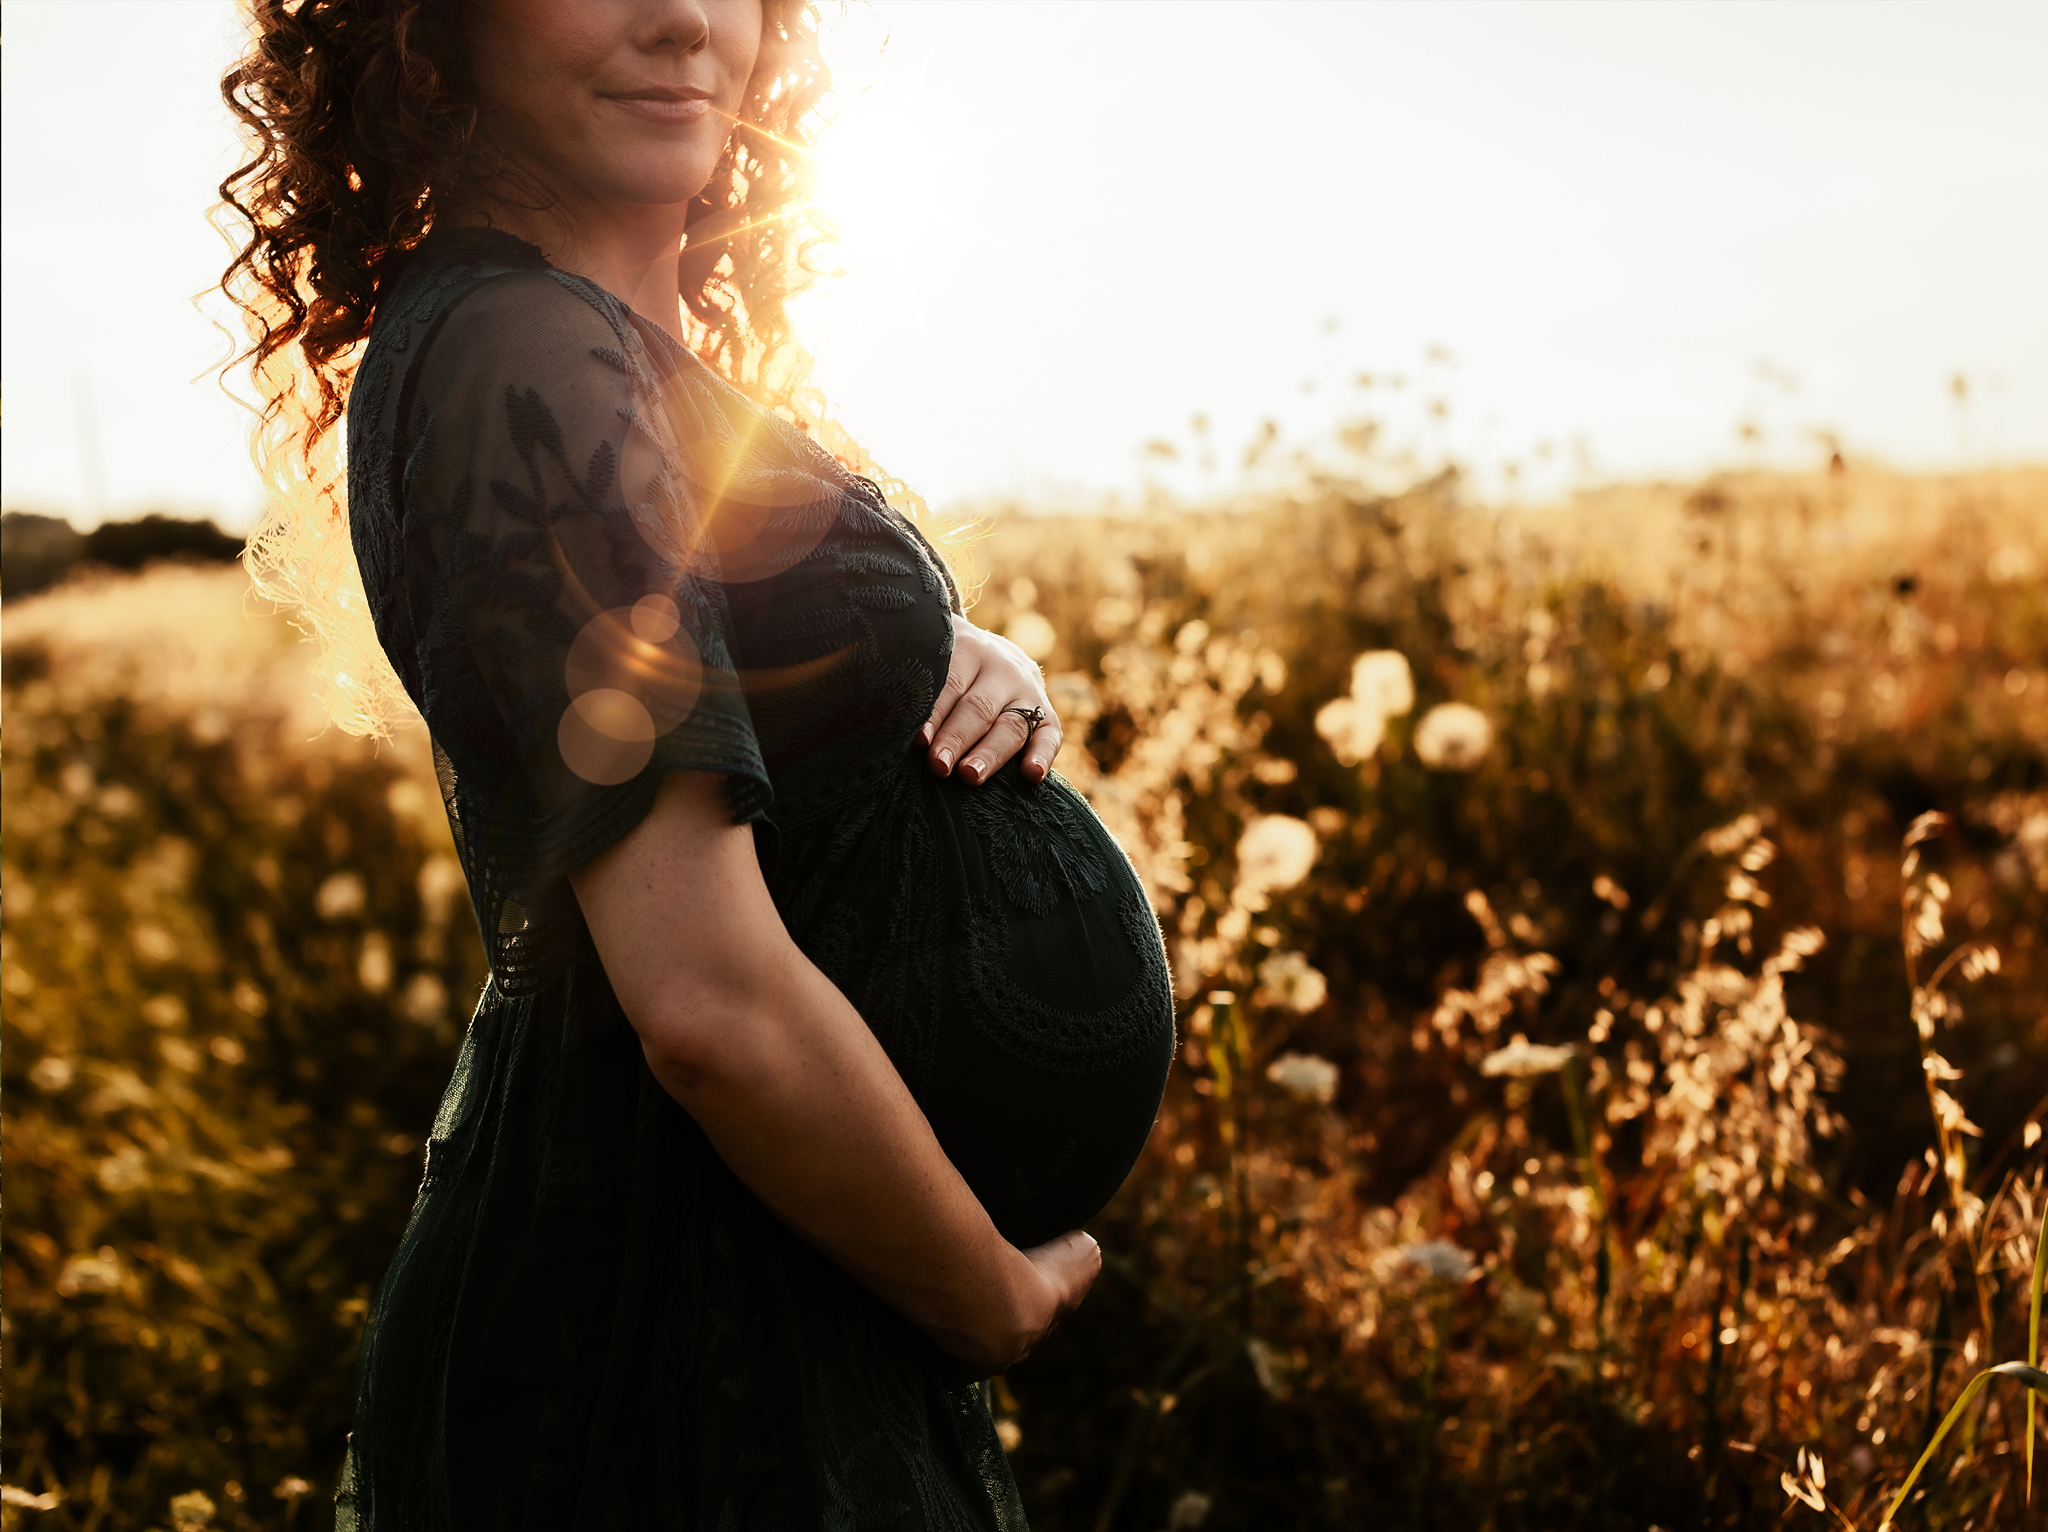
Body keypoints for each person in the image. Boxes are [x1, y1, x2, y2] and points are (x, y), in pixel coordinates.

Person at [219, 1, 1176, 1526]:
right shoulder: (522, 352)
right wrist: (984, 1294)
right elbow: (705, 1002)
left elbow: (757, 685)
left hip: (754, 1286)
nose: (682, 16)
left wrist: (940, 648)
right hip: (681, 1349)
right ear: (429, 26)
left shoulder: (589, 346)